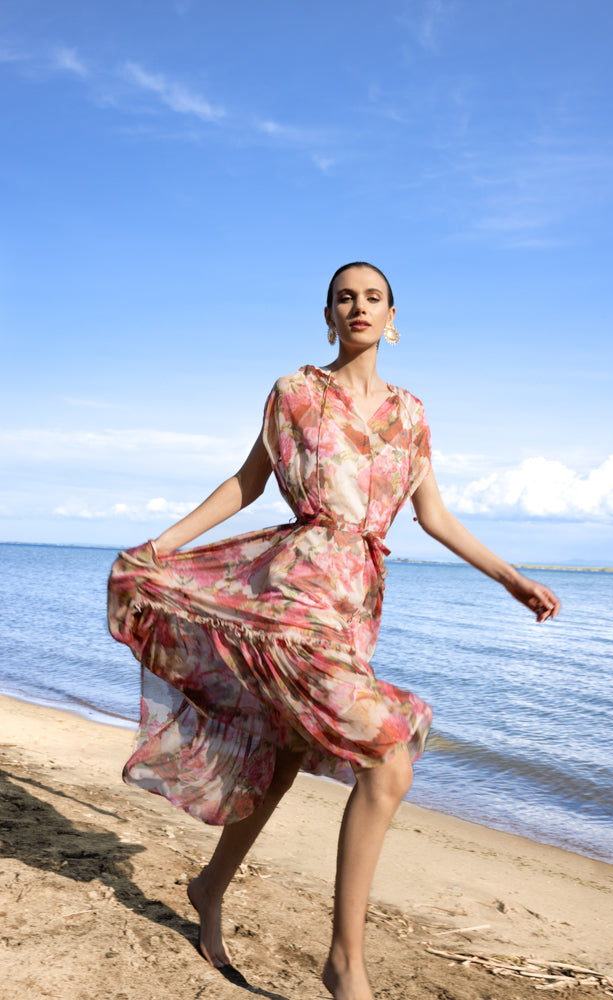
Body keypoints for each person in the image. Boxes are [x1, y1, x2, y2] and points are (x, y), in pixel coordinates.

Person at [108, 261, 560, 1000]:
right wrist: (161, 547)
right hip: (293, 594)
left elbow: (433, 516)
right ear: (328, 315)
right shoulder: (295, 393)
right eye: (344, 297)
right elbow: (247, 482)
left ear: (392, 317)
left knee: (284, 755)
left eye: (372, 297)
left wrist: (510, 578)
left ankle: (209, 887)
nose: (358, 307)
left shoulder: (410, 413)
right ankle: (345, 964)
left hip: (354, 608)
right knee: (388, 760)